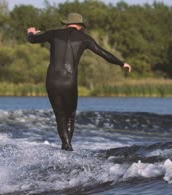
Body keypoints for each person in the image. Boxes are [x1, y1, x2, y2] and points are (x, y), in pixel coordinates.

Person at [27, 13, 131, 151]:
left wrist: (31, 32)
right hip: (69, 82)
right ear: (80, 26)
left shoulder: (53, 34)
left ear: (67, 23)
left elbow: (33, 39)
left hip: (52, 81)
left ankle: (65, 145)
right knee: (70, 116)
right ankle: (68, 147)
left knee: (59, 115)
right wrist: (121, 63)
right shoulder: (84, 38)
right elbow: (103, 53)